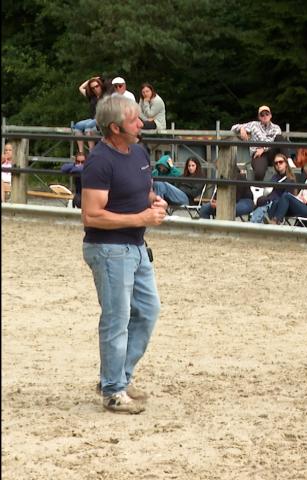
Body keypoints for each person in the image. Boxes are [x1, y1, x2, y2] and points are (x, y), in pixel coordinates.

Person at [80, 94, 168, 414]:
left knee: (148, 311)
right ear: (115, 128)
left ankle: (117, 377)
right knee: (117, 319)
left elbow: (142, 189)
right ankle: (114, 391)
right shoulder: (99, 162)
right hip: (109, 249)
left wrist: (153, 200)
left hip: (137, 246)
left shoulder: (138, 152)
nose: (140, 123)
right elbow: (91, 215)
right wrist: (140, 218)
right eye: (133, 120)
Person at [267, 159, 307, 225]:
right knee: (277, 201)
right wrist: (294, 198)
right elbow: (299, 196)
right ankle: (270, 221)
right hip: (301, 206)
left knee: (286, 196)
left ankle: (276, 221)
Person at [231, 105, 284, 181]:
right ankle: (258, 187)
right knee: (259, 173)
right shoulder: (253, 125)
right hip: (258, 155)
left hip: (272, 153)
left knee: (279, 138)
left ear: (270, 115)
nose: (265, 116)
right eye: (262, 115)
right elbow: (233, 128)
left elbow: (278, 142)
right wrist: (242, 128)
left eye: (267, 114)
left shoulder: (276, 128)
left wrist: (264, 149)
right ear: (259, 117)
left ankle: (289, 161)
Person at [248, 152, 296, 223]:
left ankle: (255, 222)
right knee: (261, 201)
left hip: (279, 205)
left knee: (265, 205)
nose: (278, 164)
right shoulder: (275, 177)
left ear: (286, 163)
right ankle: (256, 221)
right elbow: (269, 190)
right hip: (269, 201)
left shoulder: (290, 180)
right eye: (276, 163)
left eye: (280, 162)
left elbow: (286, 198)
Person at [74, 76, 106, 154]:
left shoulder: (106, 95)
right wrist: (91, 79)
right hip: (92, 119)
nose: (95, 89)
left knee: (88, 127)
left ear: (100, 85)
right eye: (93, 88)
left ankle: (91, 152)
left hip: (102, 119)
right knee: (77, 126)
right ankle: (81, 153)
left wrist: (96, 79)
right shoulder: (92, 97)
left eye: (97, 86)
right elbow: (81, 88)